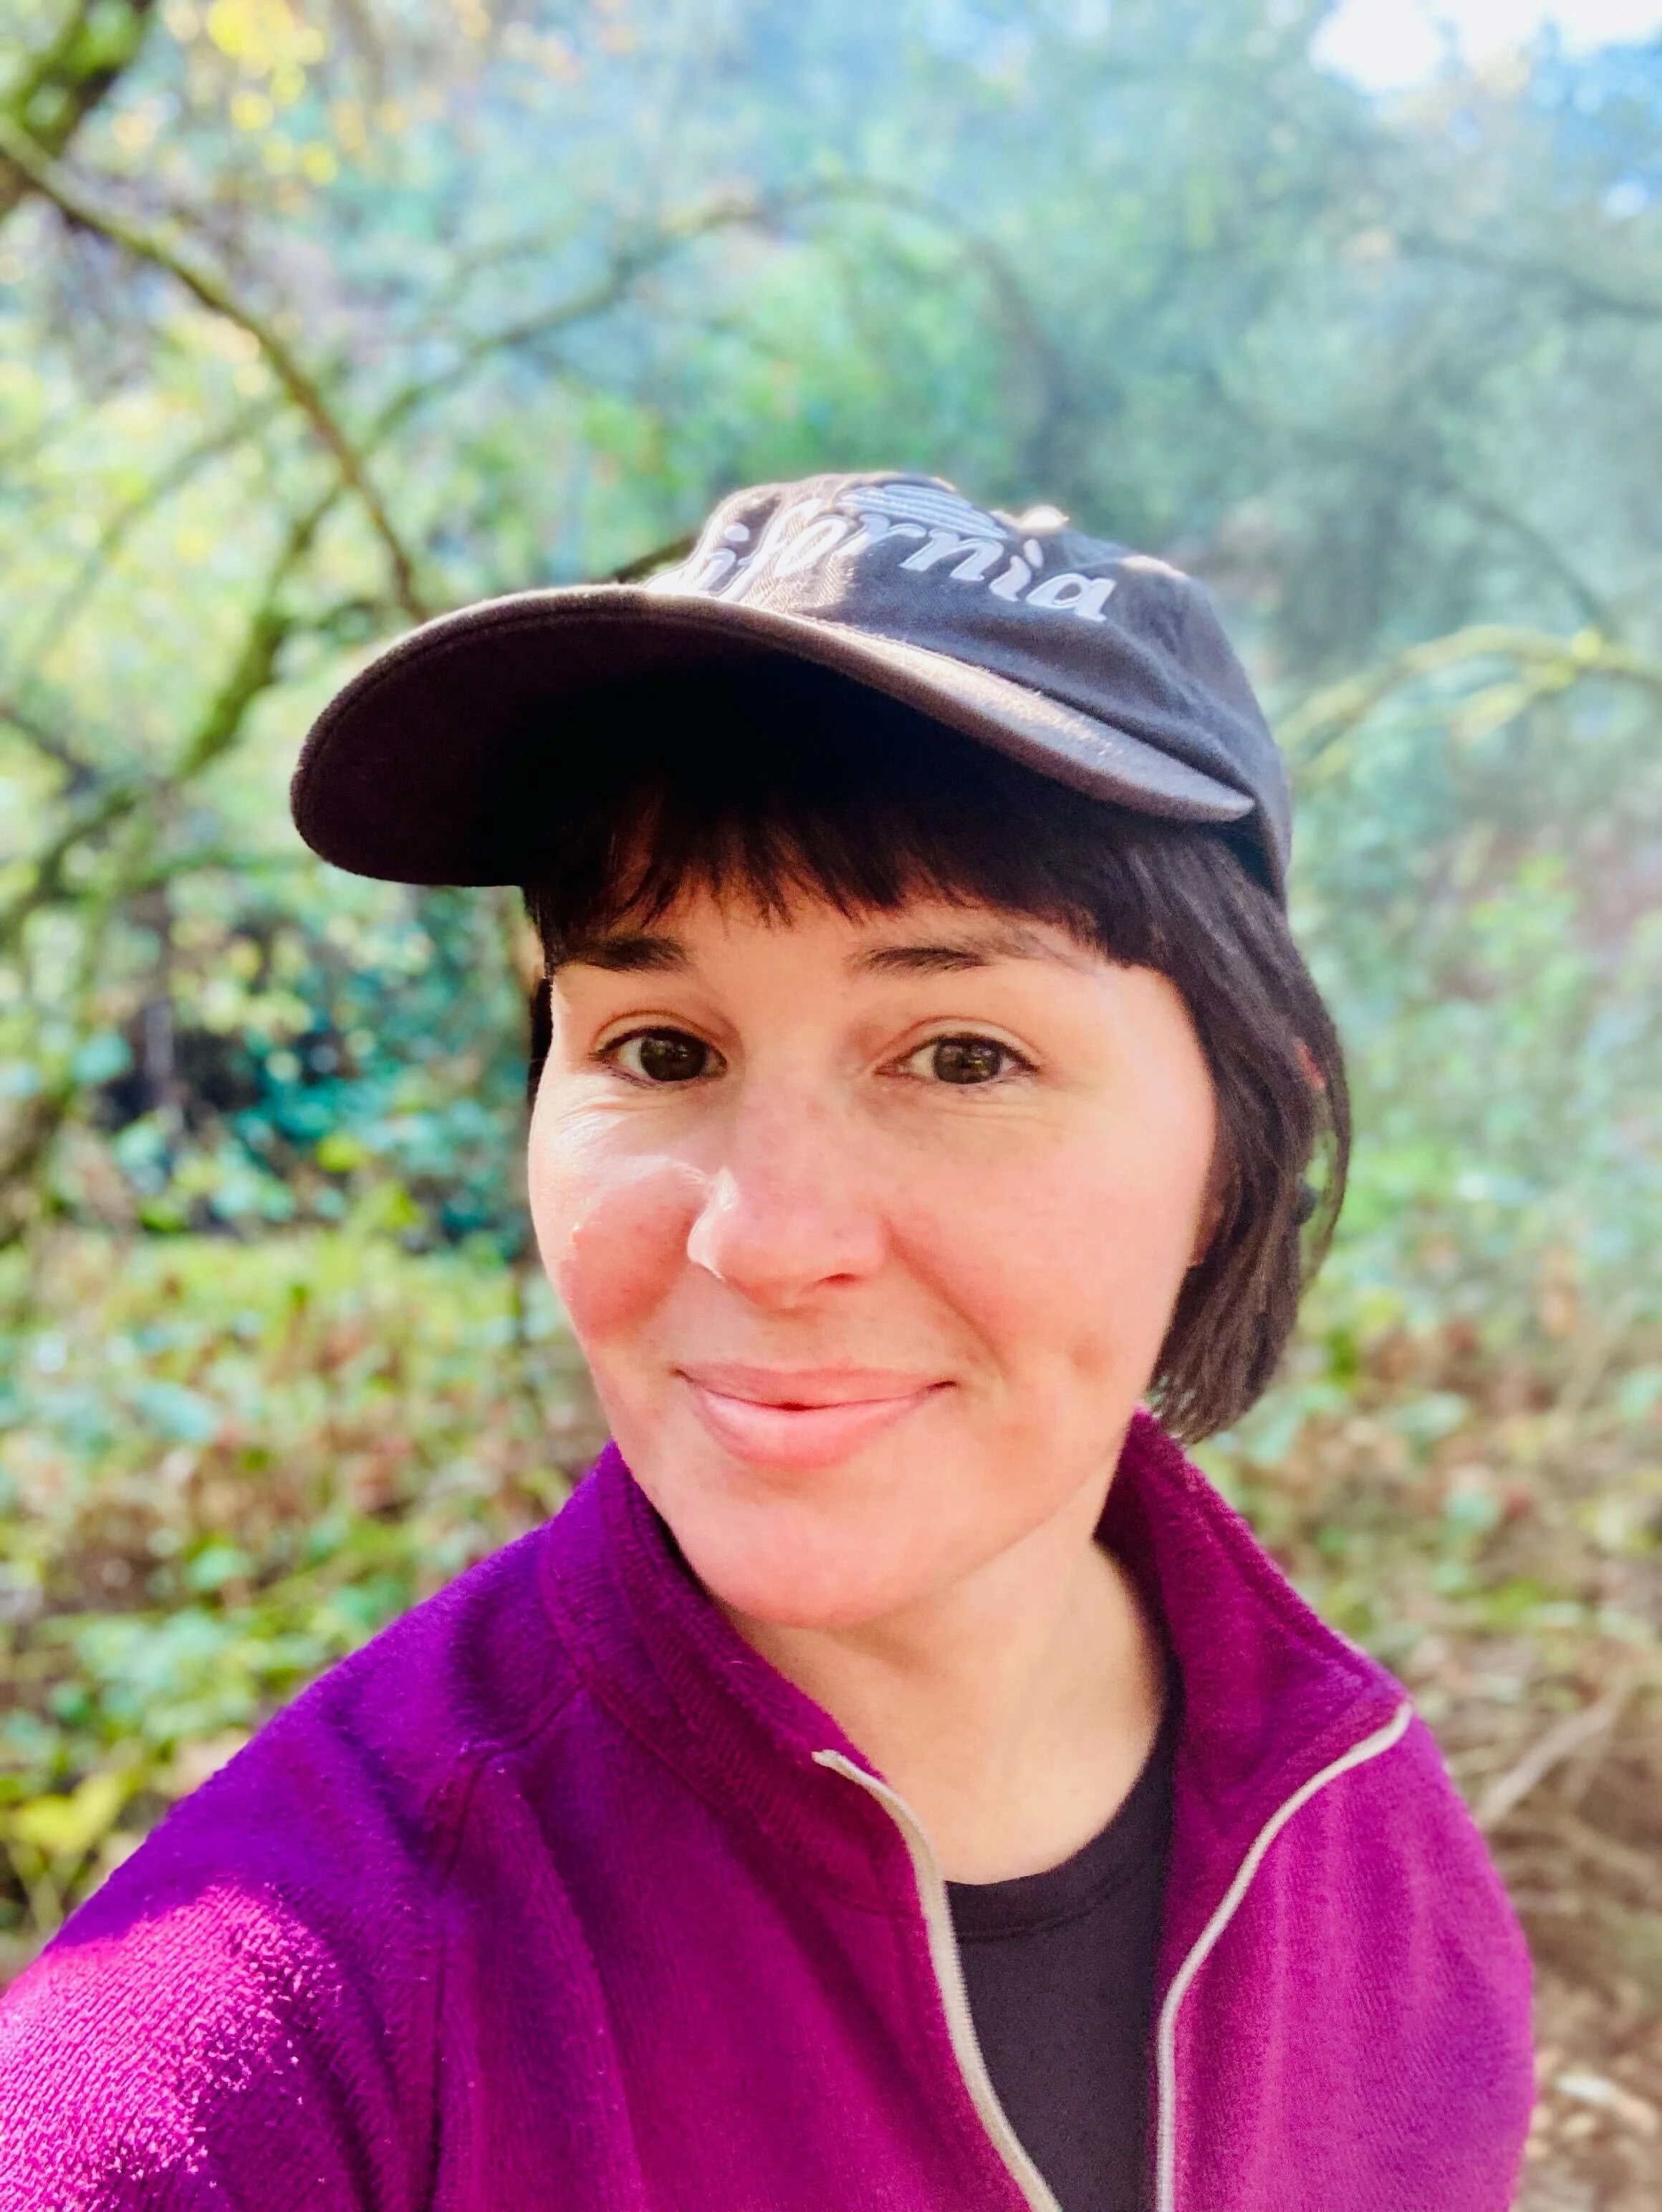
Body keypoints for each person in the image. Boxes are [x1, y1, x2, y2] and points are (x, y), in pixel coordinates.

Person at [0, 473, 1532, 2211]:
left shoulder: (1379, 1867)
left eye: (960, 1054)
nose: (763, 1236)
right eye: (660, 1048)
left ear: (1242, 1142)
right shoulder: (255, 2057)